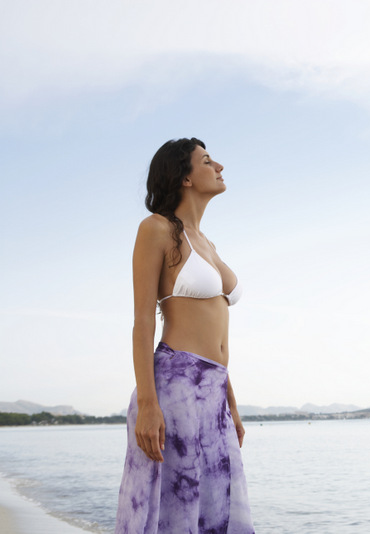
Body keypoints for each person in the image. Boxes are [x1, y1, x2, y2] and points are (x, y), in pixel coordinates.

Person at [115, 138, 254, 533]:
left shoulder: (208, 243)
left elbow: (217, 336)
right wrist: (147, 404)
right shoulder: (156, 229)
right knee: (172, 513)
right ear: (185, 177)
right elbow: (143, 321)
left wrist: (231, 403)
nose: (219, 166)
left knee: (218, 512)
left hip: (214, 391)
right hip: (174, 387)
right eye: (207, 161)